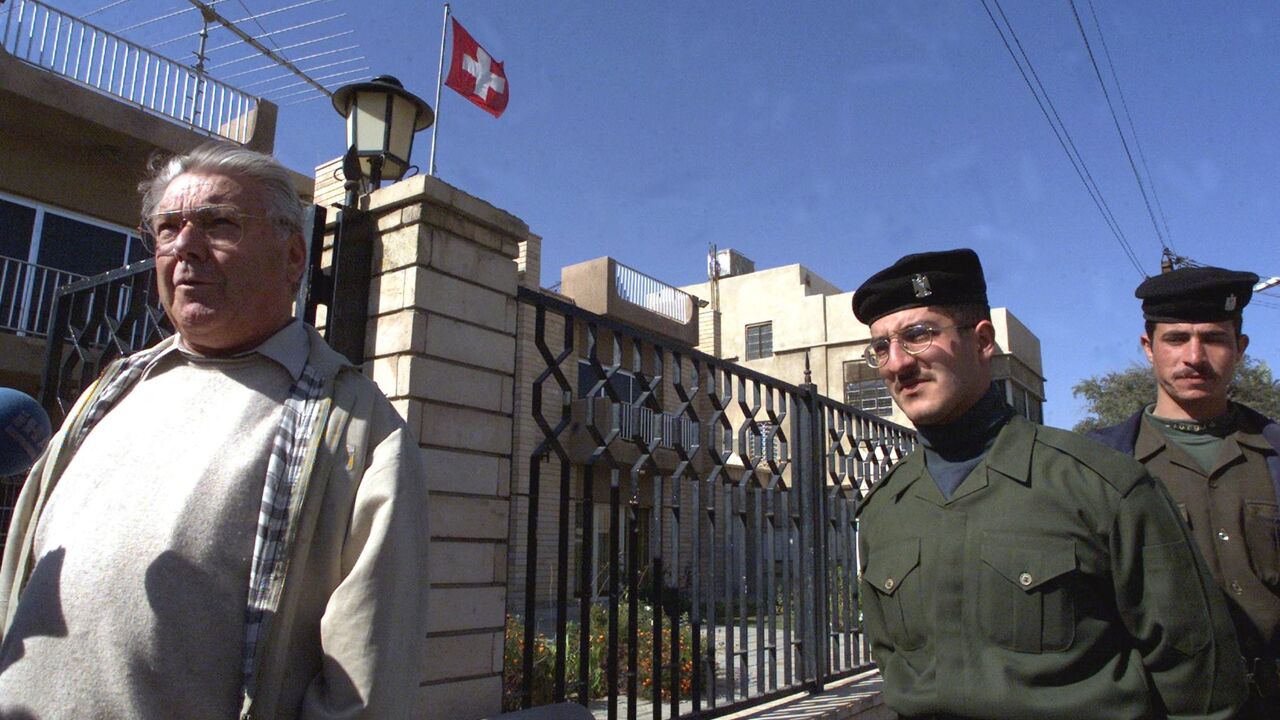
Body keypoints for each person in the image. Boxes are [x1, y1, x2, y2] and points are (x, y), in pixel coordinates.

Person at [0, 142, 429, 719]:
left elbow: (364, 689)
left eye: (219, 223)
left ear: (294, 258)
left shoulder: (357, 429)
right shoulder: (111, 391)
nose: (185, 246)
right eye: (168, 228)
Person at [853, 248, 1246, 720]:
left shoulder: (1102, 486)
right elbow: (897, 674)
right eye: (881, 348)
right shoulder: (885, 510)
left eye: (918, 336)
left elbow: (1200, 684)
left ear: (982, 342)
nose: (897, 364)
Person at [1091, 265, 1279, 718]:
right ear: (1148, 349)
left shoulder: (1274, 453)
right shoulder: (1101, 464)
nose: (1194, 356)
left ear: (1240, 349)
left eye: (1213, 338)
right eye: (1176, 339)